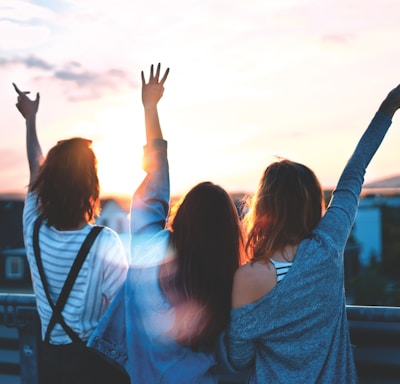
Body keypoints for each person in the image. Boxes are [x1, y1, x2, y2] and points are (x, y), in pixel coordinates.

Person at [220, 83, 400, 383]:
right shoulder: (327, 244)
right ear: (311, 204)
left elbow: (239, 361)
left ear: (263, 205)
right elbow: (354, 174)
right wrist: (387, 109)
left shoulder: (249, 277)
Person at [88, 63, 244, 383]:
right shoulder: (225, 279)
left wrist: (150, 108)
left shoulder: (150, 249)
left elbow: (156, 178)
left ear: (183, 214)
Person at [14, 83, 129, 384]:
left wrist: (30, 121)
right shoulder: (104, 242)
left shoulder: (33, 228)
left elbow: (35, 172)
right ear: (91, 187)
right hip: (94, 368)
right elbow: (122, 313)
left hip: (49, 365)